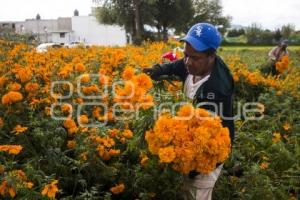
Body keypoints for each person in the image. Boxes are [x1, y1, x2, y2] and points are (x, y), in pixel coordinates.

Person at [143, 22, 234, 200]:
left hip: (207, 152)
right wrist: (159, 69)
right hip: (190, 141)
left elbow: (202, 135)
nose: (188, 62)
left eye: (194, 58)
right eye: (186, 55)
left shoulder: (217, 88)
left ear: (211, 56)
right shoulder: (194, 63)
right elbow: (178, 65)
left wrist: (192, 167)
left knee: (197, 192)